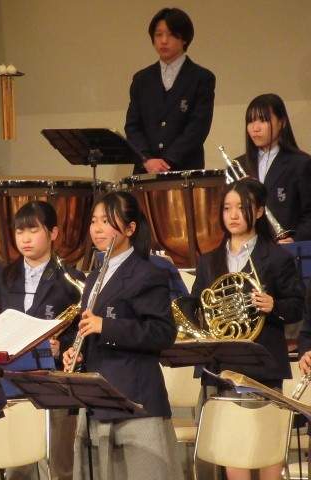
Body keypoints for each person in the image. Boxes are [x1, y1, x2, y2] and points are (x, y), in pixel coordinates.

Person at [62, 191, 183, 480]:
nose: (97, 229)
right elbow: (91, 330)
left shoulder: (147, 273)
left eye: (106, 221)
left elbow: (163, 333)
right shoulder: (94, 276)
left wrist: (106, 327)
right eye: (94, 221)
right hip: (98, 397)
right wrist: (77, 351)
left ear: (130, 228)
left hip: (135, 399)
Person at [191, 178, 304, 480]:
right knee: (233, 451)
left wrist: (273, 305)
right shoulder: (209, 260)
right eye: (227, 208)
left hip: (263, 367)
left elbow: (297, 307)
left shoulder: (277, 257)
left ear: (259, 211)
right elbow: (197, 308)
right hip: (222, 369)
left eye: (241, 208)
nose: (233, 215)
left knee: (265, 448)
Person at [0, 200, 85, 480]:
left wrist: (64, 346)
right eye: (19, 231)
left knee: (60, 464)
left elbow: (81, 329)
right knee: (17, 465)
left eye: (33, 230)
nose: (25, 238)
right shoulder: (2, 277)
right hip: (11, 379)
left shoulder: (71, 279)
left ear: (53, 233)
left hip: (54, 380)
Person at [125, 7, 215, 174]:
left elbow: (198, 127)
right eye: (158, 35)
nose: (164, 40)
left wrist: (168, 161)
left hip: (185, 169)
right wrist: (146, 158)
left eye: (171, 34)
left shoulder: (202, 78)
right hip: (146, 170)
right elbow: (133, 126)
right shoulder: (141, 79)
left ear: (184, 39)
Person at [237, 93, 311, 243]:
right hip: (248, 249)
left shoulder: (301, 163)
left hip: (286, 250)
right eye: (250, 121)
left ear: (282, 123)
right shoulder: (238, 166)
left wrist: (295, 239)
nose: (255, 128)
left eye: (263, 120)